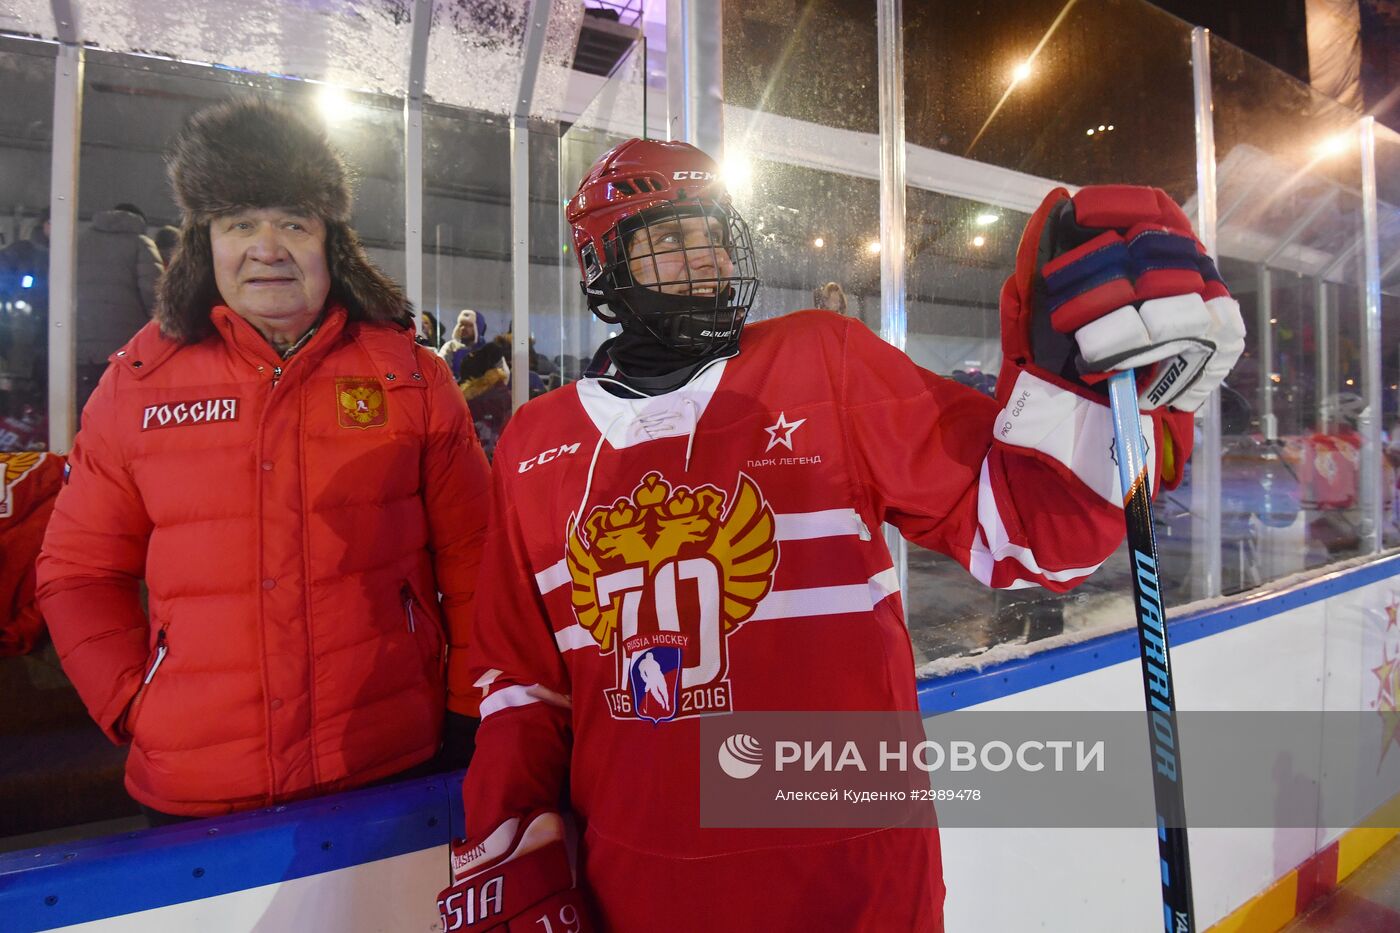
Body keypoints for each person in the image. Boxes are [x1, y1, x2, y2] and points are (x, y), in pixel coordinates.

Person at [436, 139, 1245, 930]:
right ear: (601, 266)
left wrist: (1106, 402)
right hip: (641, 887)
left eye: (714, 234)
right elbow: (522, 686)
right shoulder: (536, 446)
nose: (705, 258)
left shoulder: (826, 363)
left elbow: (1033, 529)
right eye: (669, 238)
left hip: (859, 886)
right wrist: (510, 849)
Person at [36, 100, 491, 822]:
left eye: (293, 221)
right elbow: (78, 571)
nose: (267, 247)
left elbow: (476, 558)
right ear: (204, 242)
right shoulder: (138, 384)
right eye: (239, 222)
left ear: (331, 242)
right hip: (196, 783)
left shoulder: (411, 377)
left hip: (389, 761)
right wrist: (132, 700)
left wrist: (469, 702)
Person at [74, 202, 163, 412]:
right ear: (140, 221)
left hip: (80, 341)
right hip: (127, 345)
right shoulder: (140, 243)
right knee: (123, 407)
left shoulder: (80, 241)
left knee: (86, 407)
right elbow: (155, 294)